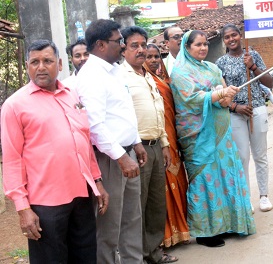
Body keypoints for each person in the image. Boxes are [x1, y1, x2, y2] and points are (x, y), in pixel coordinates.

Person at [1, 40, 108, 264]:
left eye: (47, 61)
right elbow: (12, 160)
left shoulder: (71, 95)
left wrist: (96, 181)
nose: (41, 67)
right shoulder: (15, 105)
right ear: (27, 65)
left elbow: (83, 141)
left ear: (59, 64)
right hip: (45, 203)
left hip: (81, 194)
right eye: (35, 62)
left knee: (85, 255)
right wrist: (23, 208)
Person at [170, 30, 255, 247]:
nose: (203, 48)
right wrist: (220, 94)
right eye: (198, 45)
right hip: (197, 135)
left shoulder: (212, 68)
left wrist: (226, 97)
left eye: (205, 44)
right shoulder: (180, 72)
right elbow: (191, 99)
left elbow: (220, 97)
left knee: (225, 174)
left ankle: (229, 223)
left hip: (220, 131)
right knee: (205, 179)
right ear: (186, 48)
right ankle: (206, 232)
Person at [76, 19, 147, 264]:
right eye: (119, 41)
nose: (122, 45)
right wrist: (120, 156)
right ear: (101, 44)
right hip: (110, 159)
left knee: (131, 220)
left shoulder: (114, 70)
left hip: (127, 153)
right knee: (108, 227)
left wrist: (136, 142)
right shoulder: (91, 75)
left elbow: (122, 111)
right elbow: (95, 125)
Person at [120, 27, 178, 264]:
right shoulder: (120, 77)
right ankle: (135, 257)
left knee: (156, 203)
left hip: (155, 146)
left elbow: (158, 111)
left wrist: (164, 143)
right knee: (137, 207)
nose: (141, 50)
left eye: (143, 44)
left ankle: (153, 253)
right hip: (136, 149)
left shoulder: (148, 76)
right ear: (123, 48)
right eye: (134, 45)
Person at [216, 24, 273, 212]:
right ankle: (245, 198)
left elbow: (269, 83)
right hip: (235, 114)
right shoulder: (220, 63)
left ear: (240, 36)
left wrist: (253, 66)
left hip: (256, 109)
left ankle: (264, 196)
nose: (231, 39)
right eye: (227, 37)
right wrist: (235, 107)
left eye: (234, 35)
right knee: (241, 157)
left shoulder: (253, 55)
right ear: (224, 40)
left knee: (260, 155)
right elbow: (219, 92)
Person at [144, 44, 191, 248]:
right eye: (149, 57)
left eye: (157, 56)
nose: (154, 60)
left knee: (178, 179)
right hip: (158, 138)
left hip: (172, 136)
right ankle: (165, 234)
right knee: (161, 186)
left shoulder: (165, 80)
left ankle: (181, 230)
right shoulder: (144, 81)